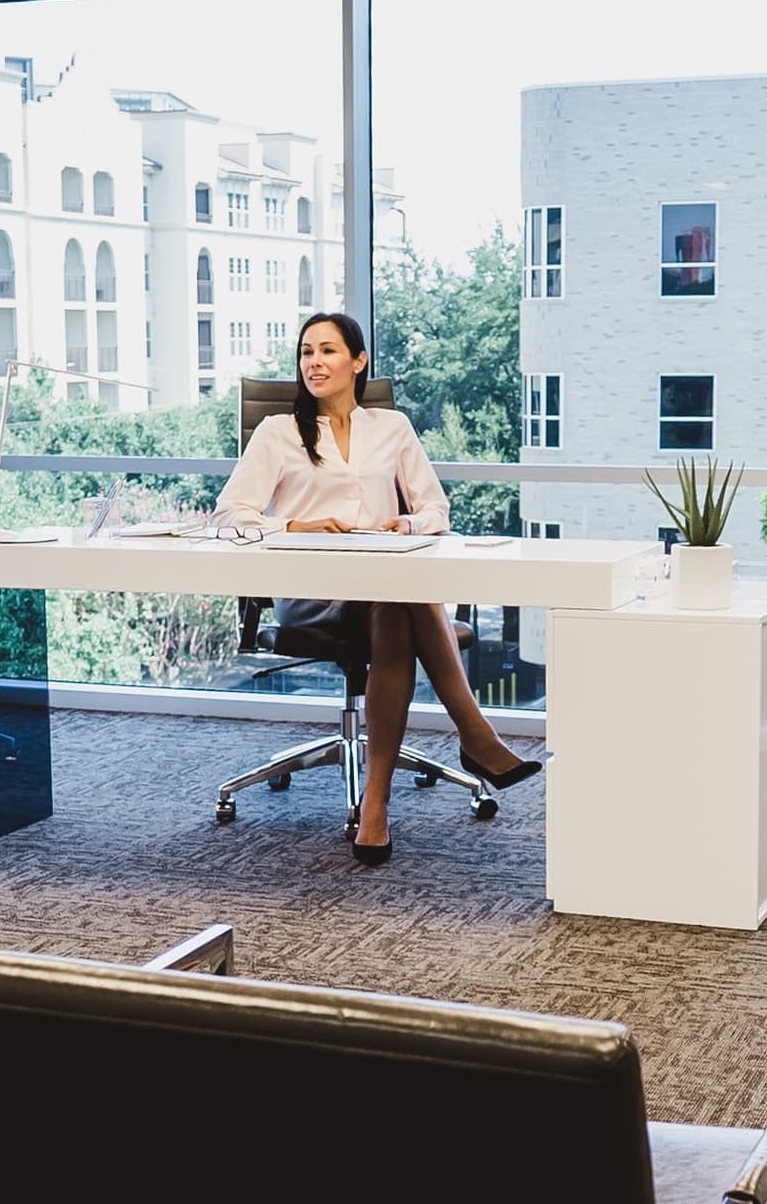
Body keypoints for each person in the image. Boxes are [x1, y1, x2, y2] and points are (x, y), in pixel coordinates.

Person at [216, 310, 541, 864]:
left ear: (358, 361)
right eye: (306, 353)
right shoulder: (280, 432)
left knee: (396, 601)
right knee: (407, 600)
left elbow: (435, 509)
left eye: (327, 351)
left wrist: (406, 524)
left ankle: (377, 804)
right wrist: (297, 524)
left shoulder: (393, 429)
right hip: (313, 594)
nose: (314, 363)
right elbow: (228, 516)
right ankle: (475, 736)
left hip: (385, 587)